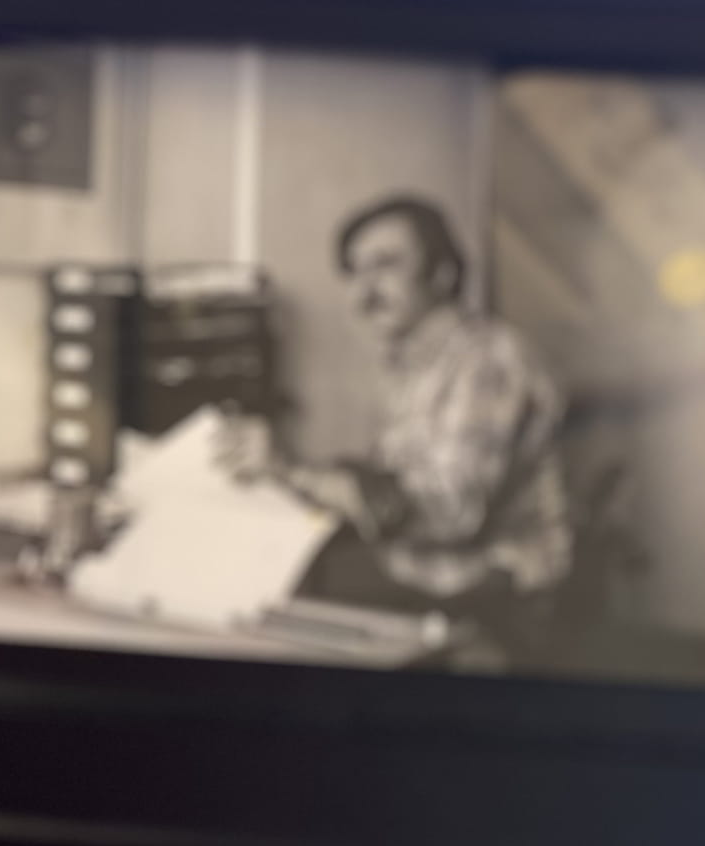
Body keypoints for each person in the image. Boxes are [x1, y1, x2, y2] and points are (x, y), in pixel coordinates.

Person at [222, 194, 571, 657]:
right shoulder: (415, 365)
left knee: (277, 624)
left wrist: (291, 471)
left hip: (494, 597)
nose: (364, 291)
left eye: (386, 265)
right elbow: (396, 481)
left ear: (442, 274)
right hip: (429, 578)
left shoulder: (485, 359)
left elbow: (450, 514)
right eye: (354, 270)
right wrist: (287, 479)